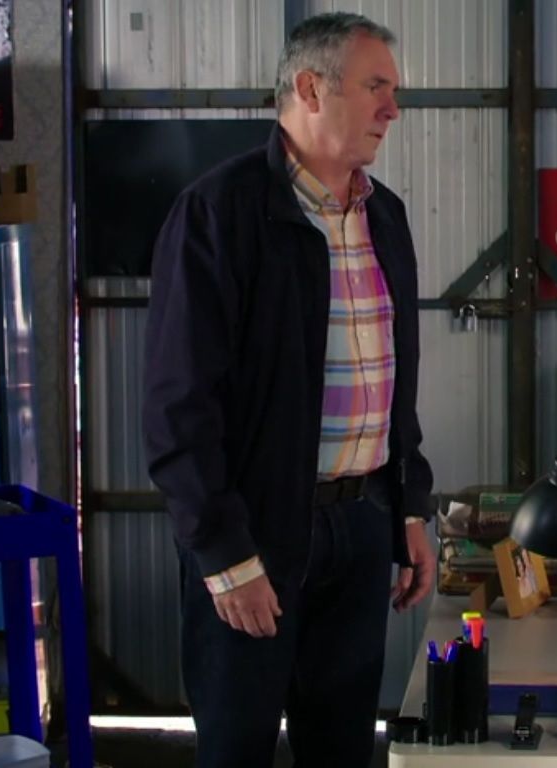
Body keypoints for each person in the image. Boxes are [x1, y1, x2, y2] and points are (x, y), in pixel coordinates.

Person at [142, 12, 435, 768]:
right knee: (237, 749)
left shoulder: (385, 216)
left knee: (343, 749)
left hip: (362, 524)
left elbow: (396, 382)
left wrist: (408, 505)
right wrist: (223, 555)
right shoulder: (219, 213)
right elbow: (178, 408)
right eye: (375, 87)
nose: (392, 110)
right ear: (310, 88)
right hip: (257, 534)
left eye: (393, 91)